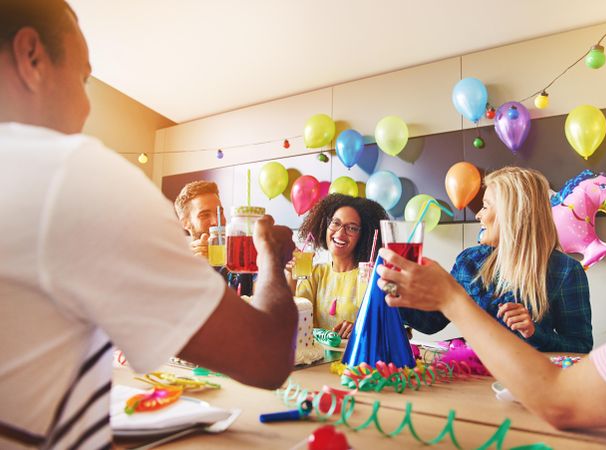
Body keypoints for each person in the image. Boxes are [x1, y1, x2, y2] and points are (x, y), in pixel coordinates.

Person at [0, 2, 297, 449]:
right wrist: (270, 256)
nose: (85, 108)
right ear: (32, 56)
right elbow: (268, 357)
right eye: (84, 80)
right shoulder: (73, 176)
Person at [377, 61, 606, 449]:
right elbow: (429, 322)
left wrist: (528, 329)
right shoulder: (471, 261)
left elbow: (569, 379)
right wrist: (393, 297)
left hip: (531, 411)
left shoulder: (564, 273)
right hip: (470, 398)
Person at [398, 167, 593, 353]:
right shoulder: (469, 261)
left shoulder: (567, 270)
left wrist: (535, 333)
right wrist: (392, 293)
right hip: (471, 377)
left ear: (513, 214)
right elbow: (432, 321)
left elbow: (581, 346)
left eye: (485, 206)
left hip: (526, 384)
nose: (478, 215)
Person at [286, 194, 389, 338]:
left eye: (352, 228)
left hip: (358, 359)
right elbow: (293, 319)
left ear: (364, 235)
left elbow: (388, 329)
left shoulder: (370, 275)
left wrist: (360, 330)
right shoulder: (315, 273)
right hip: (320, 359)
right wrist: (291, 276)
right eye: (335, 223)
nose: (340, 233)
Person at [174, 180, 226, 260]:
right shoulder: (177, 263)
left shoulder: (240, 257)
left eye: (220, 213)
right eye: (205, 215)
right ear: (185, 223)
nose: (216, 222)